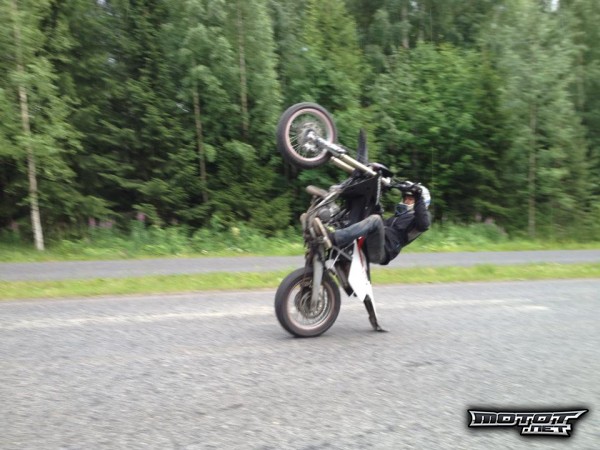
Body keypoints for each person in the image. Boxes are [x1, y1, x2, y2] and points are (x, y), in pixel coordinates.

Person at [313, 184, 431, 265]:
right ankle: (329, 223)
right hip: (375, 243)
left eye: (411, 199)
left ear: (421, 201)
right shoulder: (397, 217)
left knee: (375, 220)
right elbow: (383, 228)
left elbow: (424, 225)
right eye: (406, 198)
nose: (406, 201)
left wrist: (418, 196)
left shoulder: (420, 219)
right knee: (367, 210)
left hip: (383, 251)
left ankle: (332, 238)